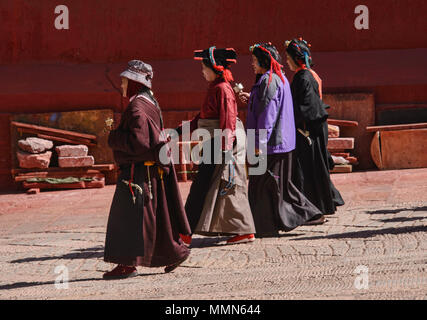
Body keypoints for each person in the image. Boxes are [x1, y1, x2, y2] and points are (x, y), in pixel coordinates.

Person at [103, 60, 191, 279]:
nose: (122, 85)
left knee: (128, 218)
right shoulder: (149, 101)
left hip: (138, 172)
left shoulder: (136, 107)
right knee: (154, 217)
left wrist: (113, 137)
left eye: (125, 81)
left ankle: (127, 264)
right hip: (151, 171)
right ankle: (174, 252)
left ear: (134, 82)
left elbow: (139, 142)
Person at [238, 42, 324, 236]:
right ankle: (307, 214)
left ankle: (267, 225)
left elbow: (268, 113)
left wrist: (259, 143)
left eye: (253, 60)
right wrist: (251, 98)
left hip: (270, 145)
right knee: (279, 185)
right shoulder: (278, 78)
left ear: (262, 61)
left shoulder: (269, 81)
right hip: (280, 142)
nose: (252, 64)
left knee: (263, 186)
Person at [178, 46, 256, 245]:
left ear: (214, 67)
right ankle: (241, 229)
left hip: (222, 142)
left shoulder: (222, 89)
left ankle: (184, 233)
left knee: (204, 185)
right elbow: (204, 116)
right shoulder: (216, 87)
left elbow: (228, 120)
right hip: (216, 141)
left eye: (204, 67)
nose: (202, 71)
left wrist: (225, 149)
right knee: (218, 186)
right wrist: (181, 130)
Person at [285, 38, 344, 216]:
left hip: (308, 128)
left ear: (296, 59)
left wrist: (292, 121)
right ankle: (328, 200)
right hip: (313, 125)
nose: (287, 62)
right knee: (317, 166)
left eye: (288, 59)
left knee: (310, 168)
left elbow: (307, 106)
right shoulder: (310, 74)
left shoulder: (303, 77)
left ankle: (317, 206)